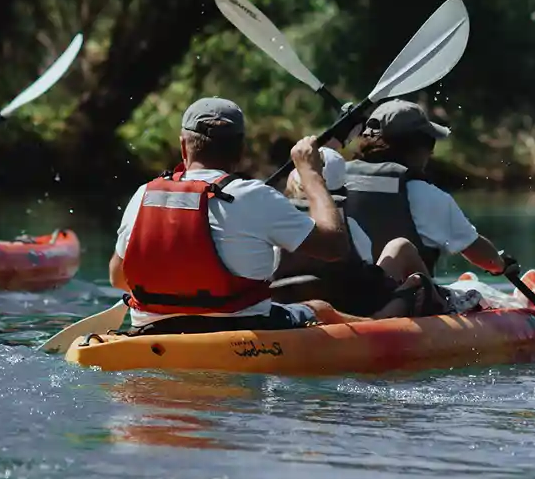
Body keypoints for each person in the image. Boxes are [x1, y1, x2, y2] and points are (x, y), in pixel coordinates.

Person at [108, 97, 355, 335]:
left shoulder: (144, 194)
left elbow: (118, 278)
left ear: (184, 145)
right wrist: (310, 174)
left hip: (151, 332)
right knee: (319, 309)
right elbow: (334, 246)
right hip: (240, 334)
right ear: (240, 150)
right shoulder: (256, 196)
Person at [272, 146, 456, 318]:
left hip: (289, 308)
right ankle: (441, 304)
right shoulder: (346, 226)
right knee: (401, 248)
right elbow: (365, 267)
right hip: (353, 308)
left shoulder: (275, 225)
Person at [343, 99, 504, 276]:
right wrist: (501, 265)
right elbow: (482, 256)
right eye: (430, 144)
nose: (431, 153)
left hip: (342, 296)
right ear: (418, 148)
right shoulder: (426, 195)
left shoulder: (330, 182)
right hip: (403, 299)